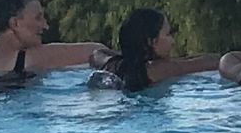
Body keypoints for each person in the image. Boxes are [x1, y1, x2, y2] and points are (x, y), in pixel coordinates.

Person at [0, 0, 110, 78]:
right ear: (15, 23)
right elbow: (96, 50)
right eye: (39, 18)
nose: (45, 25)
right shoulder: (31, 58)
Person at [86, 8, 221, 91]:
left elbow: (96, 54)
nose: (172, 41)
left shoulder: (113, 64)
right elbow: (210, 62)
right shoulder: (156, 70)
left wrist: (131, 53)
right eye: (168, 34)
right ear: (151, 42)